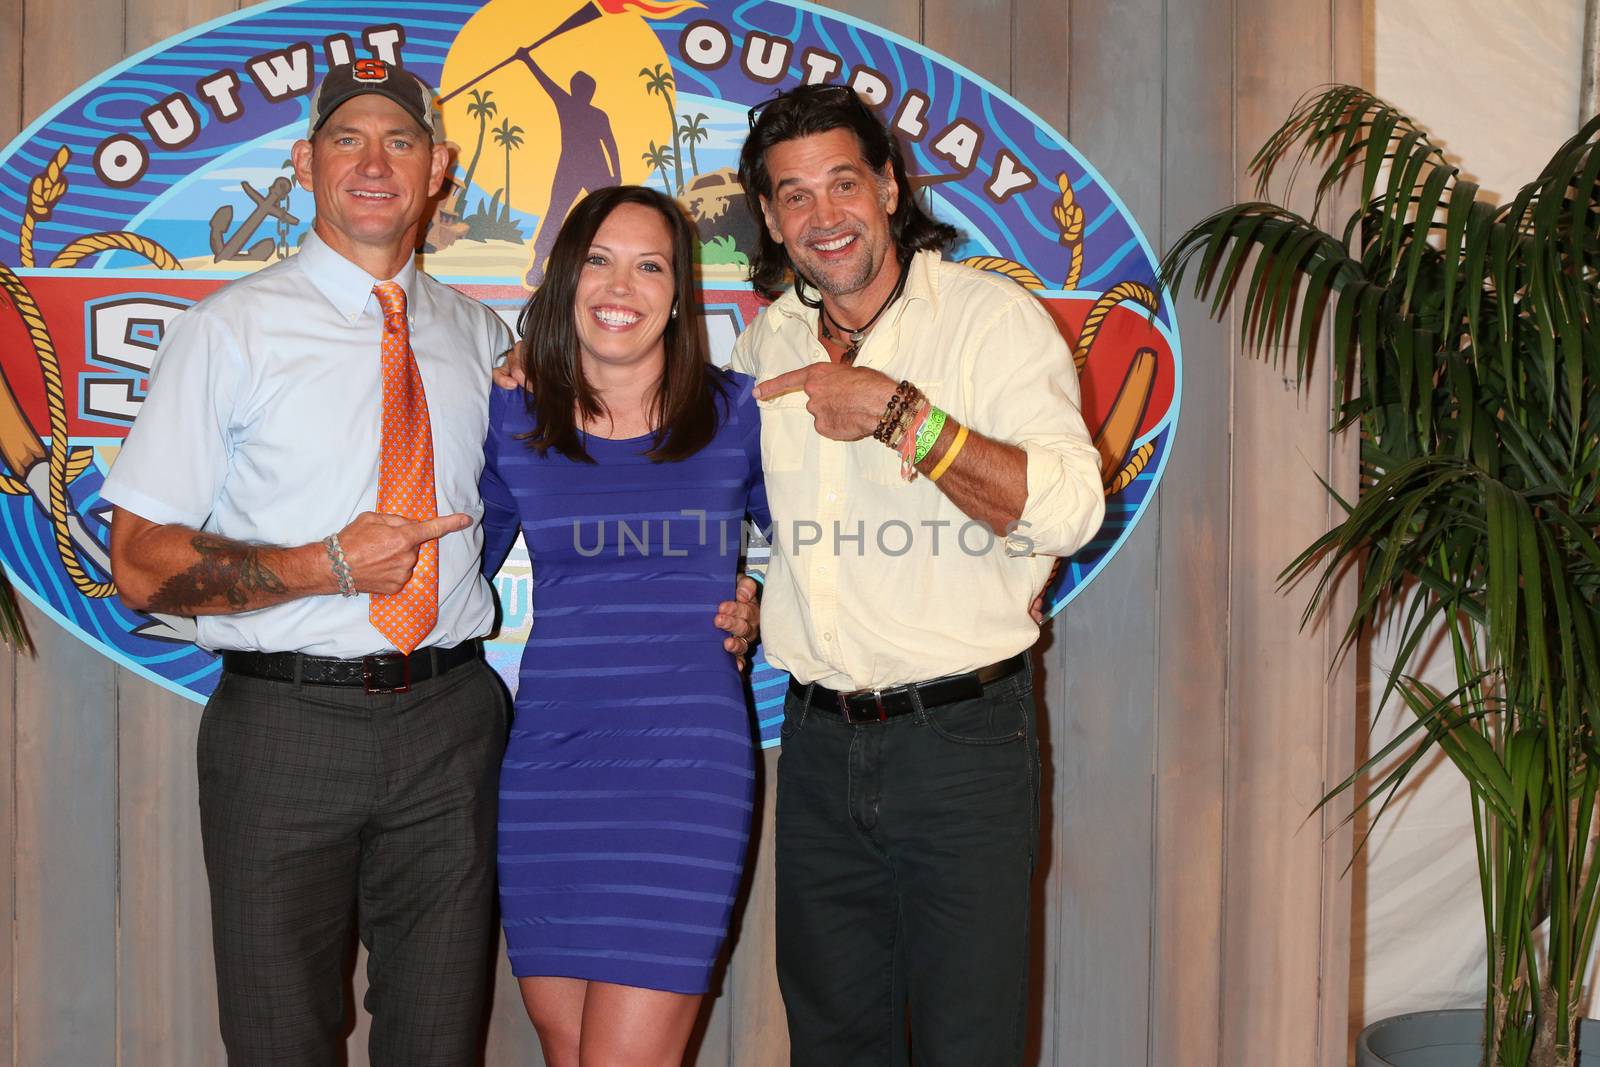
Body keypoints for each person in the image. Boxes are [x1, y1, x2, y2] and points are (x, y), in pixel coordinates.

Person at [732, 83, 1107, 1065]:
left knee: (967, 1042)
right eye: (795, 196)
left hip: (963, 744)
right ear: (771, 219)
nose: (825, 216)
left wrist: (902, 415)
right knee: (833, 1042)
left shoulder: (989, 319)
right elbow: (754, 514)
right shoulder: (764, 341)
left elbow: (1070, 507)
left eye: (843, 183)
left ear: (890, 186)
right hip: (814, 745)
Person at [479, 183, 768, 1066]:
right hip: (551, 769)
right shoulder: (512, 412)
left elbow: (825, 544)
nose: (622, 284)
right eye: (599, 259)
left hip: (683, 773)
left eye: (650, 265)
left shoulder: (739, 413)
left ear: (681, 293)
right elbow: (460, 566)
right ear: (566, 279)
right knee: (566, 1051)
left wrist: (758, 591)